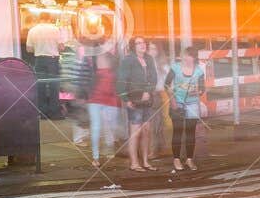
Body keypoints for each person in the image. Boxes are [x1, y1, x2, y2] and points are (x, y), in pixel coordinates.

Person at [117, 36, 159, 172]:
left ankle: (146, 161)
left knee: (146, 131)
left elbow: (154, 77)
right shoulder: (128, 60)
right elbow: (121, 80)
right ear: (133, 46)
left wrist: (148, 91)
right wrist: (126, 99)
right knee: (135, 132)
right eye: (138, 43)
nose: (142, 45)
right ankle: (134, 163)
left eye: (143, 42)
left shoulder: (149, 59)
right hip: (134, 99)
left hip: (147, 100)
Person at [163, 47, 207, 173]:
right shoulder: (175, 68)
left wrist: (198, 91)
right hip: (177, 103)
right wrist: (173, 101)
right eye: (186, 56)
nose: (188, 59)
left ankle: (189, 159)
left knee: (190, 132)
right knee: (177, 131)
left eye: (191, 56)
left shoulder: (199, 71)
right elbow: (166, 84)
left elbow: (202, 88)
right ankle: (176, 159)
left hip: (192, 104)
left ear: (194, 58)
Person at [25, 13, 64, 118]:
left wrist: (38, 48)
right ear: (49, 18)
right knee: (53, 86)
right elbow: (61, 47)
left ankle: (42, 113)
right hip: (52, 60)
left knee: (40, 86)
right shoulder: (55, 29)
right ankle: (55, 113)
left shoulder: (32, 30)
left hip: (39, 60)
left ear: (39, 19)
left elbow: (29, 49)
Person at [86, 49, 120, 168]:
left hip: (101, 101)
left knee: (102, 127)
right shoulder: (106, 73)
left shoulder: (104, 73)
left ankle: (102, 152)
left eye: (101, 59)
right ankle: (98, 155)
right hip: (100, 102)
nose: (99, 61)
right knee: (100, 128)